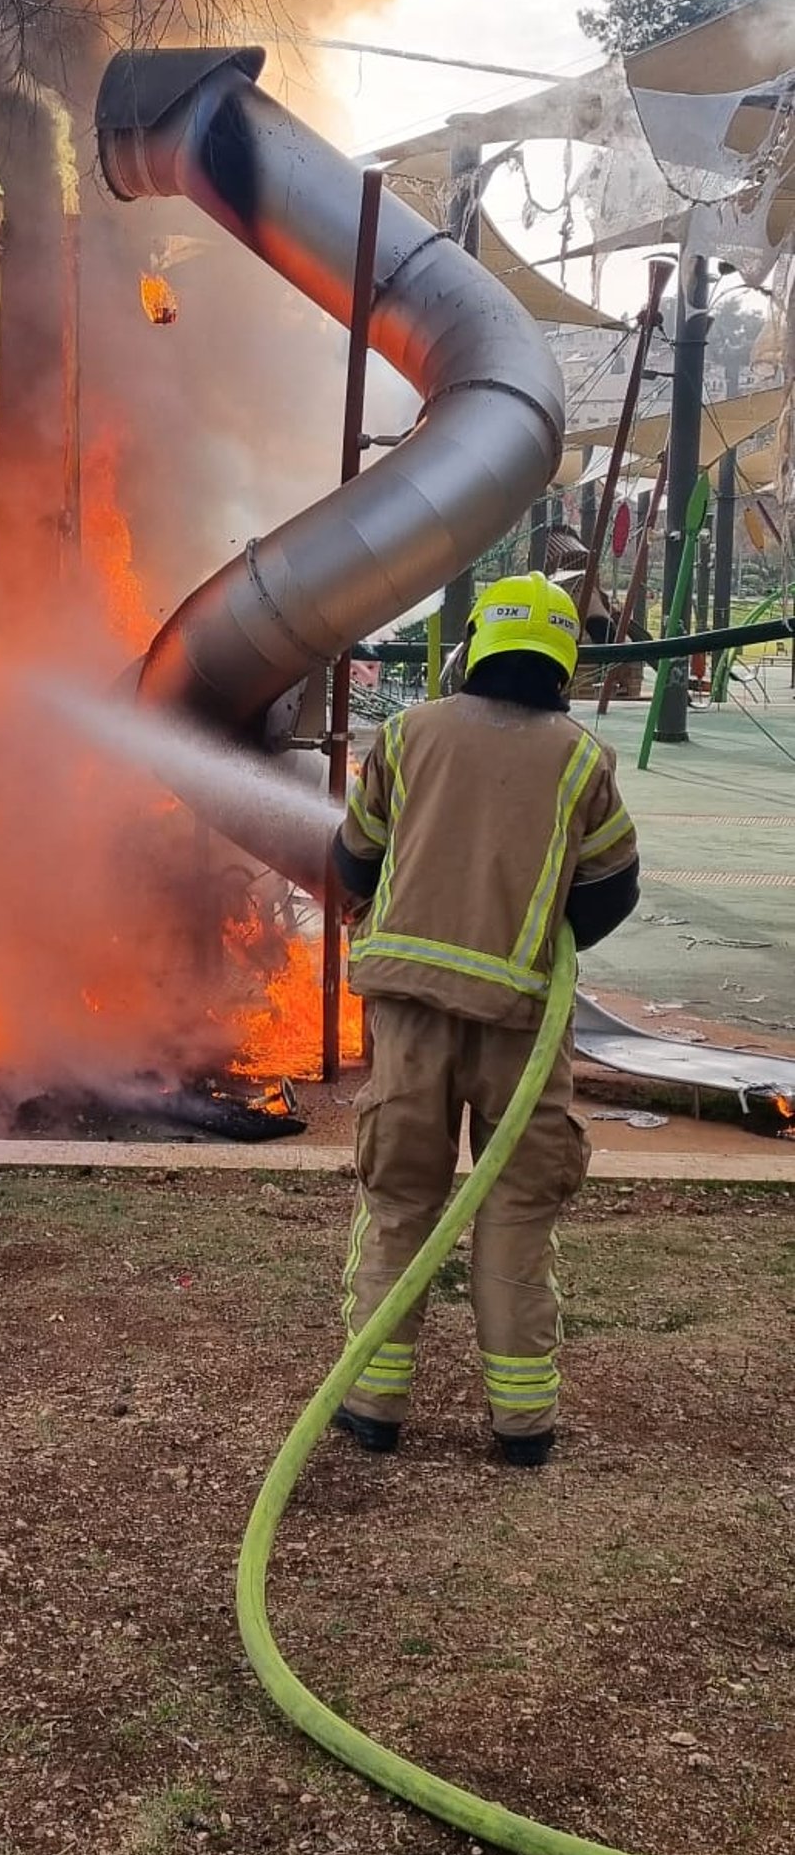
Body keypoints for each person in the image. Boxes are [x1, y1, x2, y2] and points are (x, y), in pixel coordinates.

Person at [330, 573, 640, 1468]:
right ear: (563, 660)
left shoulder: (407, 734)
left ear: (476, 646)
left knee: (399, 1202)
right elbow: (612, 889)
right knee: (516, 1213)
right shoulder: (582, 759)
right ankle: (522, 1426)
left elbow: (353, 859)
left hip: (409, 1020)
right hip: (521, 1024)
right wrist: (536, 938)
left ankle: (373, 1407)